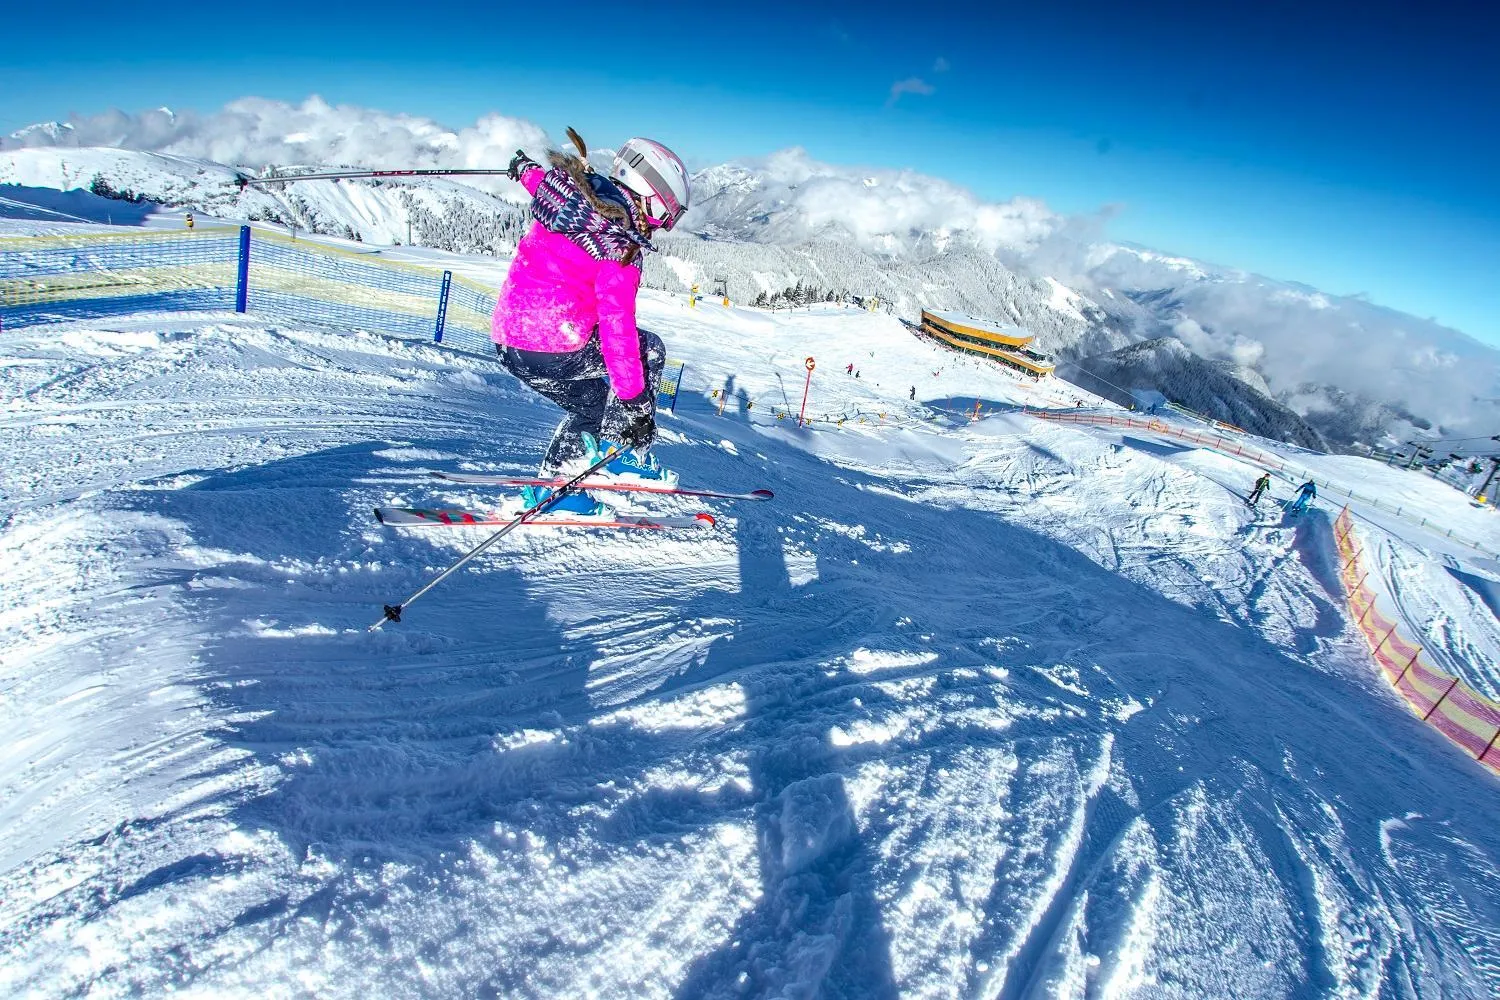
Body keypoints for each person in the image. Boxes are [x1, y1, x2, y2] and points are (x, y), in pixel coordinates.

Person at [491, 129, 690, 512]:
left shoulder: (571, 196)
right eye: (669, 214)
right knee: (649, 350)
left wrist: (524, 169)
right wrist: (635, 405)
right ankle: (620, 453)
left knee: (594, 407)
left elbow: (541, 183)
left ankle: (555, 492)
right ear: (654, 196)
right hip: (554, 342)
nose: (664, 224)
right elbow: (617, 328)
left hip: (508, 338)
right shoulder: (619, 242)